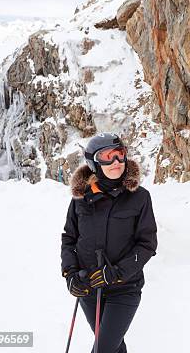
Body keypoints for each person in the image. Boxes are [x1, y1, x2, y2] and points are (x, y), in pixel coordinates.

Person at [60, 132, 157, 353]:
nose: (116, 162)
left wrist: (118, 272)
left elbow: (147, 243)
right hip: (89, 289)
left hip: (124, 288)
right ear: (94, 162)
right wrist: (71, 274)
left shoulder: (139, 198)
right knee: (113, 346)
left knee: (103, 349)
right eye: (107, 156)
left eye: (119, 155)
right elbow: (69, 239)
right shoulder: (80, 199)